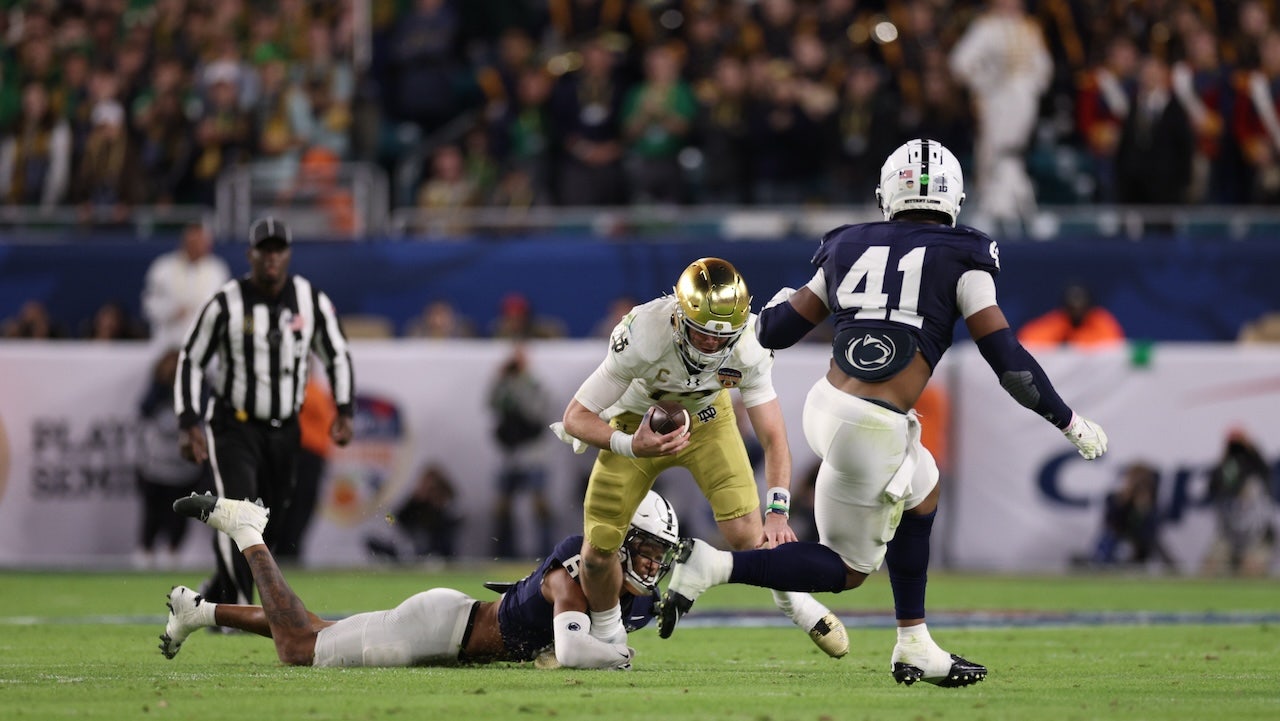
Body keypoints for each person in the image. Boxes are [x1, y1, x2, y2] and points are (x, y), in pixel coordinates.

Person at [657, 140, 1109, 688]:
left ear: (886, 193)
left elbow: (777, 331)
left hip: (827, 407)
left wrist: (772, 310)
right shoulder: (966, 253)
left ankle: (914, 640)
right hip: (870, 425)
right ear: (955, 197)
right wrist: (1066, 419)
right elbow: (1007, 360)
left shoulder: (849, 243)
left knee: (924, 484)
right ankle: (713, 566)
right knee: (845, 570)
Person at [552, 257, 849, 659]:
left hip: (708, 420)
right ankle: (609, 636)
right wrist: (629, 444)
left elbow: (774, 436)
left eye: (720, 336)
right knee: (599, 546)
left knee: (749, 534)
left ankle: (795, 604)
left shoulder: (749, 347)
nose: (711, 344)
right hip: (634, 424)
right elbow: (575, 418)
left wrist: (778, 509)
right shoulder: (645, 333)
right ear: (679, 317)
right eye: (701, 333)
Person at [160, 489, 681, 670]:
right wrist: (622, 654)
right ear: (622, 542)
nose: (655, 565)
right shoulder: (571, 577)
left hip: (452, 627)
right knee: (299, 648)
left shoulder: (638, 597)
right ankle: (249, 530)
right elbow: (572, 653)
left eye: (663, 554)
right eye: (651, 550)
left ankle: (199, 612)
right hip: (438, 630)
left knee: (316, 630)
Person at [175, 216, 355, 607]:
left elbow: (336, 352)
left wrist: (344, 407)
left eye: (278, 250)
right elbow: (191, 358)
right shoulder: (226, 302)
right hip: (233, 425)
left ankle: (219, 592)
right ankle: (237, 609)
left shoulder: (310, 300)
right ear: (250, 254)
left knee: (271, 526)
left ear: (287, 255)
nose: (271, 258)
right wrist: (188, 421)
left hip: (285, 429)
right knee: (237, 514)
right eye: (264, 251)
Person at [134, 348, 206, 570]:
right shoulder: (157, 387)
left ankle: (173, 550)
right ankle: (146, 550)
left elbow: (201, 410)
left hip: (184, 466)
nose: (175, 370)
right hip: (156, 463)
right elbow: (144, 408)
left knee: (180, 512)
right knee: (152, 511)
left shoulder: (198, 388)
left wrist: (187, 385)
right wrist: (163, 383)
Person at [489, 344, 554, 558]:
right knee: (503, 506)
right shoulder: (504, 385)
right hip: (510, 453)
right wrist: (501, 380)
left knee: (539, 505)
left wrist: (517, 385)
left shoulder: (534, 385)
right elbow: (491, 404)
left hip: (532, 451)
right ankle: (504, 552)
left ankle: (546, 552)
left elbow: (534, 414)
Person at [141, 222, 231, 351]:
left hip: (204, 343)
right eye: (194, 242)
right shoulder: (163, 267)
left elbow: (224, 305)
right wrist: (171, 311)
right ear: (185, 243)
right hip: (168, 342)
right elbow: (149, 303)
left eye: (203, 242)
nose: (199, 246)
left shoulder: (217, 270)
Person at [1200, 429, 1277, 577]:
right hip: (1228, 534)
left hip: (1257, 535)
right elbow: (1212, 487)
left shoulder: (1257, 470)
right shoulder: (1224, 471)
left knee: (1251, 569)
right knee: (1210, 567)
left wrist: (1249, 445)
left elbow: (1264, 469)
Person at [1086, 462, 1176, 570]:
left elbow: (1152, 529)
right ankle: (1100, 564)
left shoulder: (1151, 502)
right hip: (1118, 535)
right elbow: (1111, 523)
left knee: (1154, 541)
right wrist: (1124, 501)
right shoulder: (1114, 498)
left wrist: (1142, 510)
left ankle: (1171, 569)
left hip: (1140, 538)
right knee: (1109, 537)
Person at [1017, 283, 1126, 349]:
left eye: (1082, 304)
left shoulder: (1101, 322)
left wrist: (1077, 341)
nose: (1077, 309)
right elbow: (1027, 341)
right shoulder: (1055, 323)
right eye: (1072, 307)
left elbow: (1114, 348)